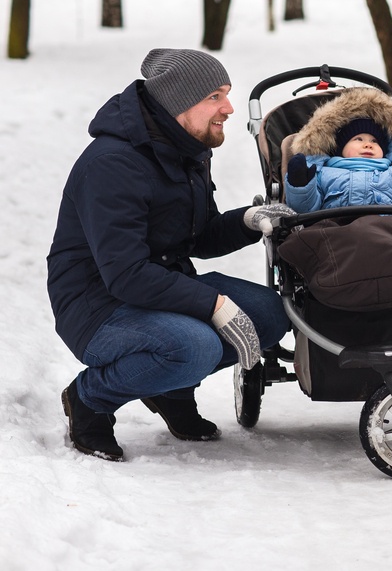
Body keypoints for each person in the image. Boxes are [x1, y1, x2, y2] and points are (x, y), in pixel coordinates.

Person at [47, 48, 295, 462]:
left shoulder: (187, 149)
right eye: (215, 96)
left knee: (269, 313)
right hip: (98, 307)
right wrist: (213, 304)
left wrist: (250, 220)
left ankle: (171, 390)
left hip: (158, 289)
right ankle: (89, 399)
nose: (229, 108)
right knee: (194, 346)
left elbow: (198, 237)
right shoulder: (112, 165)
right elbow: (125, 275)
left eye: (227, 95)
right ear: (178, 101)